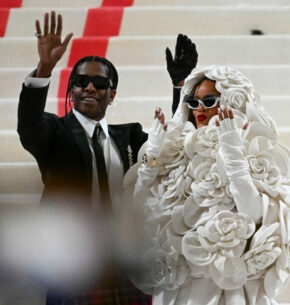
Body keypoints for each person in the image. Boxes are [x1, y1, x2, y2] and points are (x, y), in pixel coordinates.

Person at [16, 10, 198, 305]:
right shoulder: (52, 131)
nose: (89, 87)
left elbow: (172, 146)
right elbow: (28, 124)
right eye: (81, 81)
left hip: (124, 262)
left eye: (99, 84)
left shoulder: (130, 136)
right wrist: (45, 68)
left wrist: (181, 87)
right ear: (72, 89)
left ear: (111, 94)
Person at [126, 65, 290, 305]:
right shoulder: (176, 150)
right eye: (193, 100)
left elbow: (253, 212)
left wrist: (232, 152)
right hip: (178, 288)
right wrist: (154, 154)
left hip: (228, 287)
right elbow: (141, 211)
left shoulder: (253, 149)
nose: (199, 108)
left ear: (231, 102)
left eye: (209, 101)